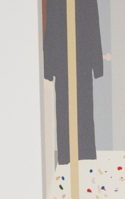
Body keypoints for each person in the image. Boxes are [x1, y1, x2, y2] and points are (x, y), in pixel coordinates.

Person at [41, 0, 103, 166]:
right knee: (64, 106)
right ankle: (67, 154)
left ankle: (84, 152)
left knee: (83, 105)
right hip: (61, 59)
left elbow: (93, 26)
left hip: (82, 58)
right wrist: (48, 67)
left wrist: (97, 65)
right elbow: (50, 28)